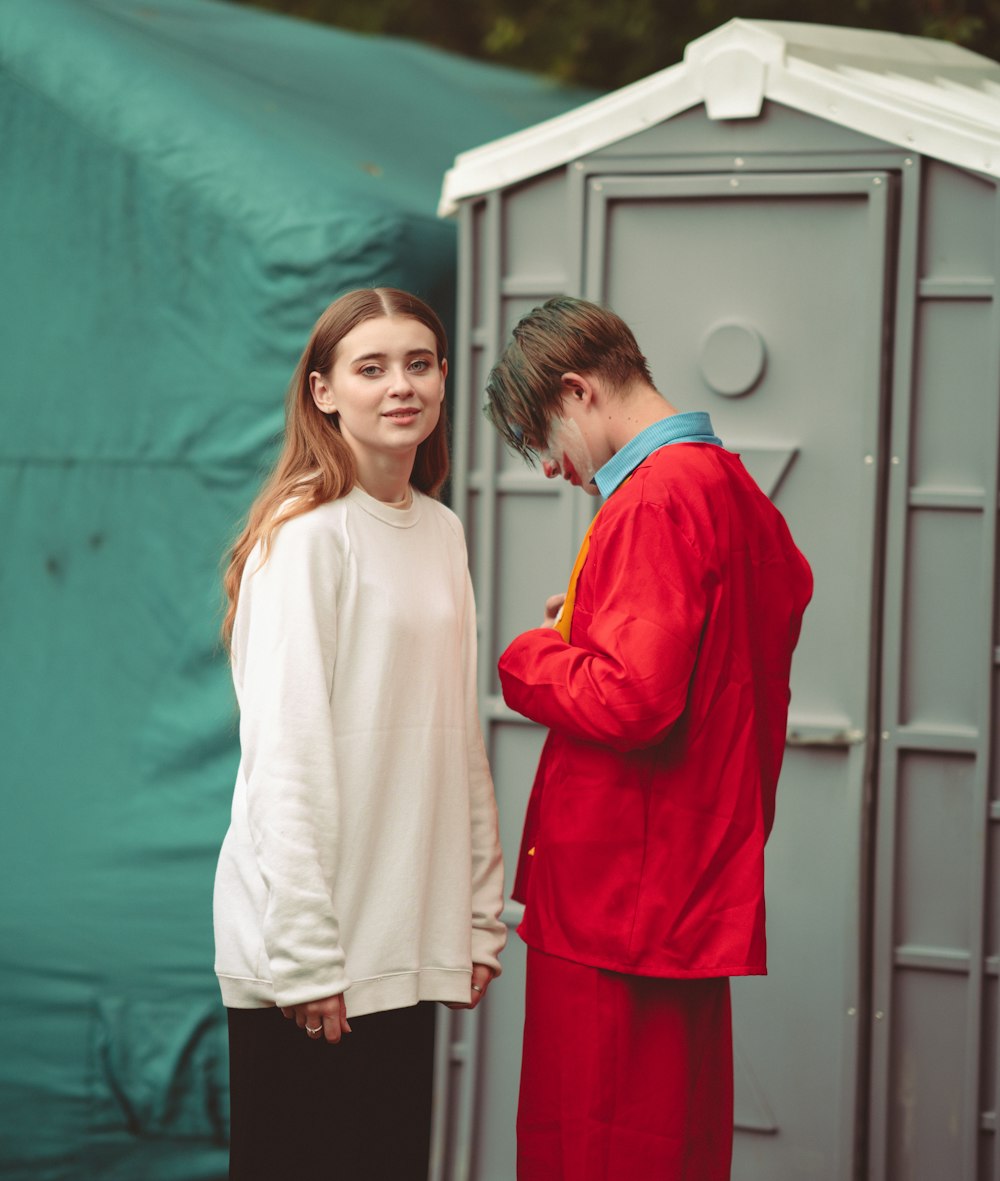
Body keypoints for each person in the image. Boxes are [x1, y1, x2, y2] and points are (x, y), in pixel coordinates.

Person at [484, 296, 813, 1181]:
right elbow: (739, 637)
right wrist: (592, 619)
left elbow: (635, 697)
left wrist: (531, 657)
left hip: (617, 899)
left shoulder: (655, 498)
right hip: (679, 887)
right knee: (674, 1148)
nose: (551, 468)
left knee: (591, 1149)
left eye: (540, 437)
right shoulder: (731, 485)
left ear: (577, 390)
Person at [213, 287, 506, 1181]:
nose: (400, 386)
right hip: (311, 962)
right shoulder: (306, 538)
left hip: (403, 944)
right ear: (324, 392)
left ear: (445, 378)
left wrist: (478, 914)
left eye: (419, 363)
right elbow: (285, 761)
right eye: (370, 367)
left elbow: (457, 742)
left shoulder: (443, 533)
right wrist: (304, 961)